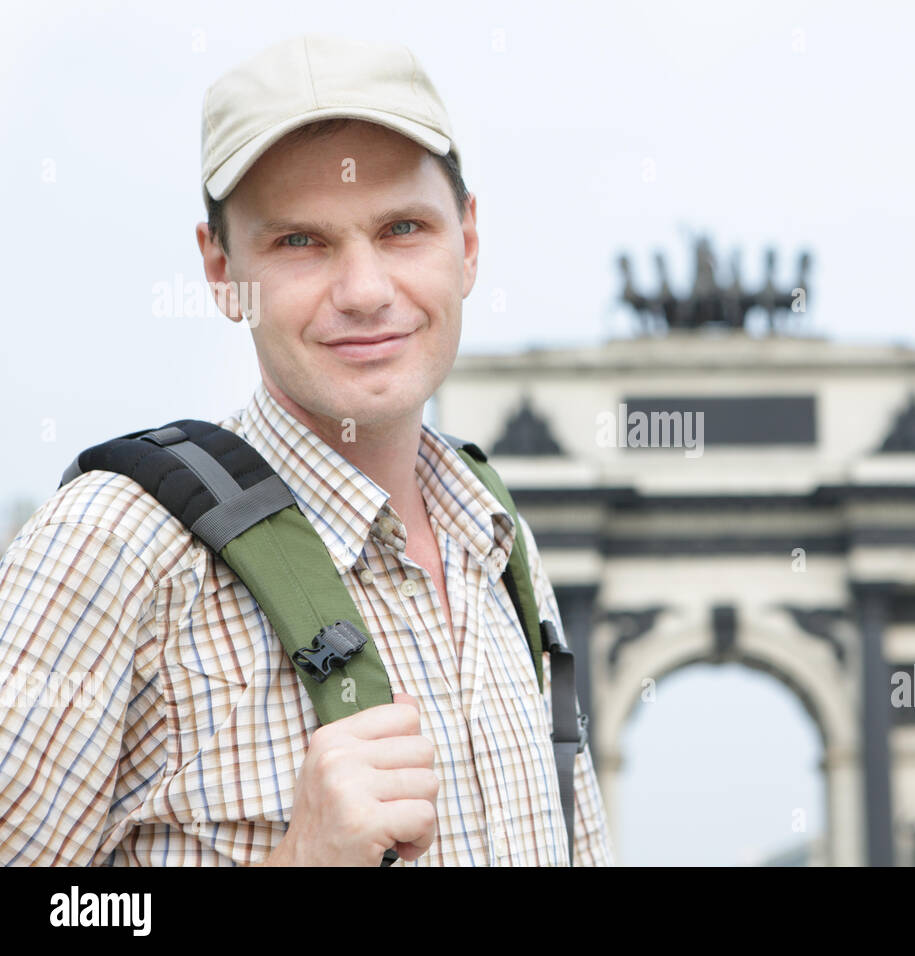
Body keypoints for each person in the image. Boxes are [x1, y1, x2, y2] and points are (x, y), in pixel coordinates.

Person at [0, 33, 612, 866]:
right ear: (220, 270)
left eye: (403, 228)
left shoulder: (498, 541)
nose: (364, 292)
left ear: (467, 242)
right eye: (300, 242)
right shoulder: (109, 545)